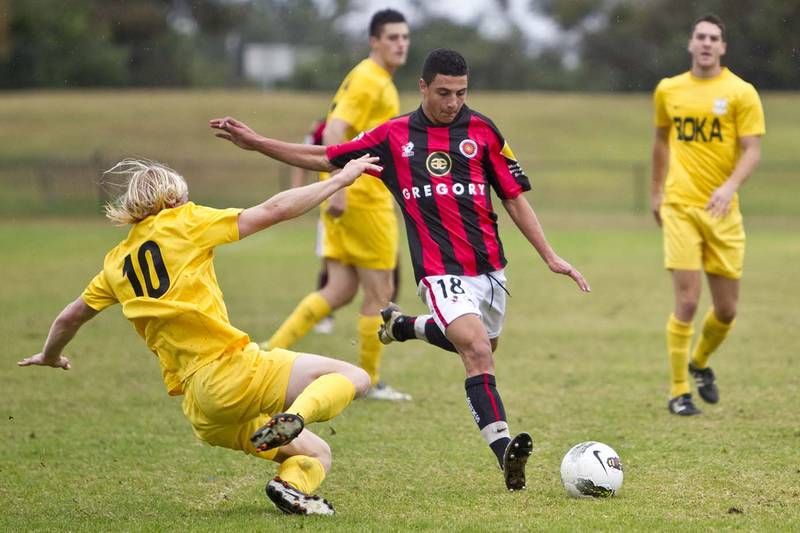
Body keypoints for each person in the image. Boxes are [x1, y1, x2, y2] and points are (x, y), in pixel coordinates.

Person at [210, 48, 591, 492]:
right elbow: (324, 156)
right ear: (423, 87)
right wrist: (257, 143)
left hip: (489, 271)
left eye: (462, 93)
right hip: (438, 270)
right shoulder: (395, 137)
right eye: (444, 92)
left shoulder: (484, 131)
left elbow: (512, 197)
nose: (453, 103)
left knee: (485, 344)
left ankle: (404, 325)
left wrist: (549, 255)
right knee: (476, 351)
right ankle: (504, 450)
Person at [17, 156, 382, 515]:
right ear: (173, 199)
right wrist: (338, 180)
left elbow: (69, 317)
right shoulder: (183, 221)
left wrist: (49, 355)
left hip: (203, 410)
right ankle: (293, 417)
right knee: (356, 377)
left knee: (318, 453)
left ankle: (290, 487)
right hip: (233, 372)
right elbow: (273, 209)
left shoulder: (115, 264)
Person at [262, 9, 411, 401]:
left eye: (404, 37)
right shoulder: (371, 80)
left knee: (340, 289)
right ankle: (371, 380)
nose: (400, 44)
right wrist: (340, 188)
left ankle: (266, 354)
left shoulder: (372, 78)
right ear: (374, 41)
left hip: (353, 197)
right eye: (392, 37)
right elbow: (334, 131)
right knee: (382, 292)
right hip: (362, 199)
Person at [650, 14, 765, 416]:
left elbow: (752, 149)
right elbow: (661, 141)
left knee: (728, 310)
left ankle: (700, 362)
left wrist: (730, 185)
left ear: (723, 47)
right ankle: (678, 391)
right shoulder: (669, 89)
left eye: (714, 37)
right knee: (686, 302)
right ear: (690, 43)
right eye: (699, 36)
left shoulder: (741, 92)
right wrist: (656, 192)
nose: (706, 43)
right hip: (680, 206)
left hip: (723, 211)